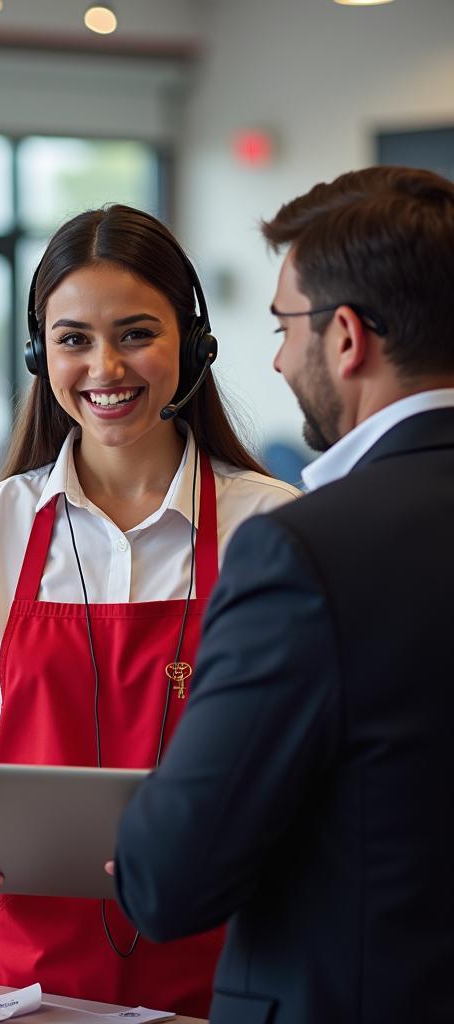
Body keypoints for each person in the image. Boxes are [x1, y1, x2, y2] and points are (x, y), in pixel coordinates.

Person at [0, 205, 301, 1017]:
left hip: (224, 962)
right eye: (73, 338)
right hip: (27, 980)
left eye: (135, 333)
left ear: (192, 345)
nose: (104, 367)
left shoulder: (275, 526)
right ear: (37, 353)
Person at [112, 166, 454, 1024]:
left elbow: (171, 880)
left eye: (282, 325)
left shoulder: (306, 550)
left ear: (346, 337)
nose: (274, 356)